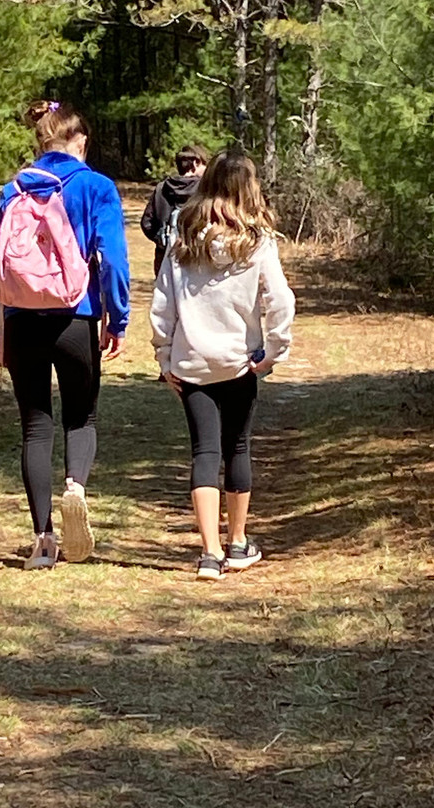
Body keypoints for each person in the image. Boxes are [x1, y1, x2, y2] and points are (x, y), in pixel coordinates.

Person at [0, 100, 130, 571]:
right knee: (81, 417)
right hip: (76, 314)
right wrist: (117, 316)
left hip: (22, 317)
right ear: (80, 143)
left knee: (35, 425)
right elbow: (111, 260)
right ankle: (76, 488)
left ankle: (43, 540)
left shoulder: (13, 191)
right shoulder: (96, 187)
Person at [149, 150, 296, 581]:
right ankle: (237, 542)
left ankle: (209, 554)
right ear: (250, 190)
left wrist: (163, 355)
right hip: (239, 364)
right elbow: (281, 302)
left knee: (203, 451)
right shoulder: (258, 244)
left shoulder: (184, 242)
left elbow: (163, 307)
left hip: (191, 363)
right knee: (237, 448)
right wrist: (273, 351)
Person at [141, 145, 209, 277]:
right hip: (196, 259)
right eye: (204, 164)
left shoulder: (161, 188)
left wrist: (161, 241)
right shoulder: (205, 190)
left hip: (164, 259)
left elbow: (147, 223)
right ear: (195, 163)